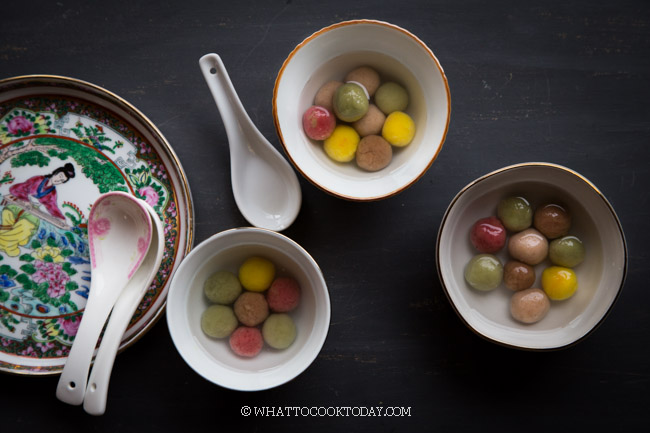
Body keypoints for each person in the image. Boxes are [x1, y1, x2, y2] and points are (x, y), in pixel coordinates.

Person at [8, 163, 75, 220]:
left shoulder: (52, 192)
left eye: (62, 180)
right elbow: (17, 188)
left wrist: (62, 218)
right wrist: (25, 200)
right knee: (8, 213)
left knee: (28, 226)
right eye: (60, 176)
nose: (59, 180)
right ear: (55, 173)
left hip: (33, 210)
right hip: (19, 203)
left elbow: (52, 206)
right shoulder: (38, 179)